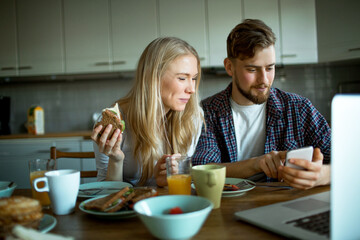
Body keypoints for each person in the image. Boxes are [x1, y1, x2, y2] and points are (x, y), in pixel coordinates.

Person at [192, 19, 331, 190]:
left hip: (286, 206)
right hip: (227, 209)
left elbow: (349, 160)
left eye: (270, 68)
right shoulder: (207, 112)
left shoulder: (299, 108)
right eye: (252, 69)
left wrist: (323, 175)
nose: (264, 80)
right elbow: (203, 169)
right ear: (229, 67)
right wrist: (257, 163)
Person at [92, 37, 203, 187]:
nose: (191, 89)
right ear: (153, 77)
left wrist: (167, 182)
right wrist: (116, 160)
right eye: (182, 78)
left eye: (194, 78)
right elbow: (106, 194)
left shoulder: (193, 118)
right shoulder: (116, 122)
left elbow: (184, 189)